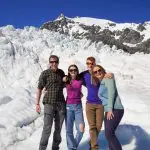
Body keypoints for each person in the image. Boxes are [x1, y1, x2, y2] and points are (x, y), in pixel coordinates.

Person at [36, 55, 66, 150]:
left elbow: (64, 85)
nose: (54, 63)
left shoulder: (61, 73)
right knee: (47, 128)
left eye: (56, 61)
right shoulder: (45, 73)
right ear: (49, 62)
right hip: (49, 103)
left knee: (58, 129)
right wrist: (37, 103)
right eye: (52, 62)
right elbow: (39, 88)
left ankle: (55, 148)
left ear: (58, 62)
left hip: (60, 103)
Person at [92, 65, 124, 150]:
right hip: (109, 110)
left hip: (115, 109)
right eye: (95, 72)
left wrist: (110, 109)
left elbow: (111, 93)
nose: (98, 72)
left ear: (103, 70)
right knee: (108, 134)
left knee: (109, 134)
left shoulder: (108, 79)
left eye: (99, 70)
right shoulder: (102, 81)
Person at [63, 64, 85, 150]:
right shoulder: (66, 80)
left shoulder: (80, 80)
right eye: (71, 70)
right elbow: (57, 84)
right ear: (68, 72)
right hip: (68, 107)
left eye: (74, 70)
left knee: (81, 129)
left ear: (77, 71)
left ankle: (73, 146)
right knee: (69, 130)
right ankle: (71, 148)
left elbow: (90, 79)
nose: (73, 72)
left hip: (78, 107)